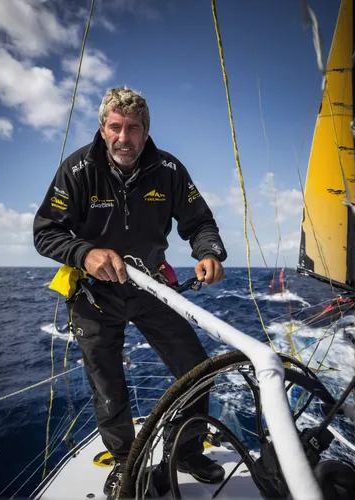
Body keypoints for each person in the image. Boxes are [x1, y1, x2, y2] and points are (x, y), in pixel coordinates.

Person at [33, 86, 227, 498]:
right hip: (93, 294)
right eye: (116, 128)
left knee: (196, 369)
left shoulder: (170, 171)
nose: (125, 137)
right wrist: (83, 253)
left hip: (151, 286)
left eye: (133, 128)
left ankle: (188, 451)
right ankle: (126, 461)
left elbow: (200, 222)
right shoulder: (78, 169)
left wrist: (208, 251)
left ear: (146, 130)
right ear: (103, 130)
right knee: (108, 384)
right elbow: (45, 232)